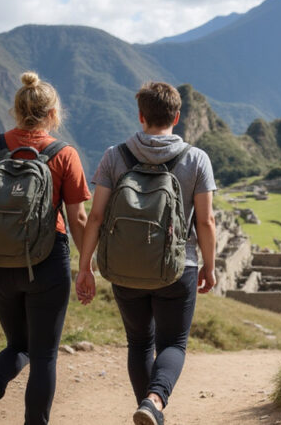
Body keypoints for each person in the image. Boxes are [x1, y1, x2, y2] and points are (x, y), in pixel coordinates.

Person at [0, 72, 90, 425]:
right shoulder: (64, 154)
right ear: (53, 114)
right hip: (47, 263)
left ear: (16, 109)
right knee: (43, 355)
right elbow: (79, 220)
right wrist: (87, 265)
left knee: (18, 345)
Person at [76, 81, 217, 425]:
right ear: (178, 116)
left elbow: (95, 216)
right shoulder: (195, 159)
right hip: (178, 266)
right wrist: (209, 266)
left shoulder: (115, 155)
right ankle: (155, 401)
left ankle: (149, 407)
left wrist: (85, 267)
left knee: (139, 343)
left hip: (125, 266)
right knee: (175, 343)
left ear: (141, 116)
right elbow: (206, 221)